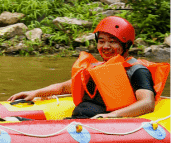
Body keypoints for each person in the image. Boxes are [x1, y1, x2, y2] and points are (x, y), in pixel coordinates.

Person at [8, 17, 165, 119]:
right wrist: (35, 93)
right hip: (79, 122)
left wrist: (113, 116)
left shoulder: (136, 70)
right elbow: (64, 87)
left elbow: (147, 103)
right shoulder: (97, 68)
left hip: (104, 127)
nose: (106, 46)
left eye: (112, 41)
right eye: (101, 41)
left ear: (126, 45)